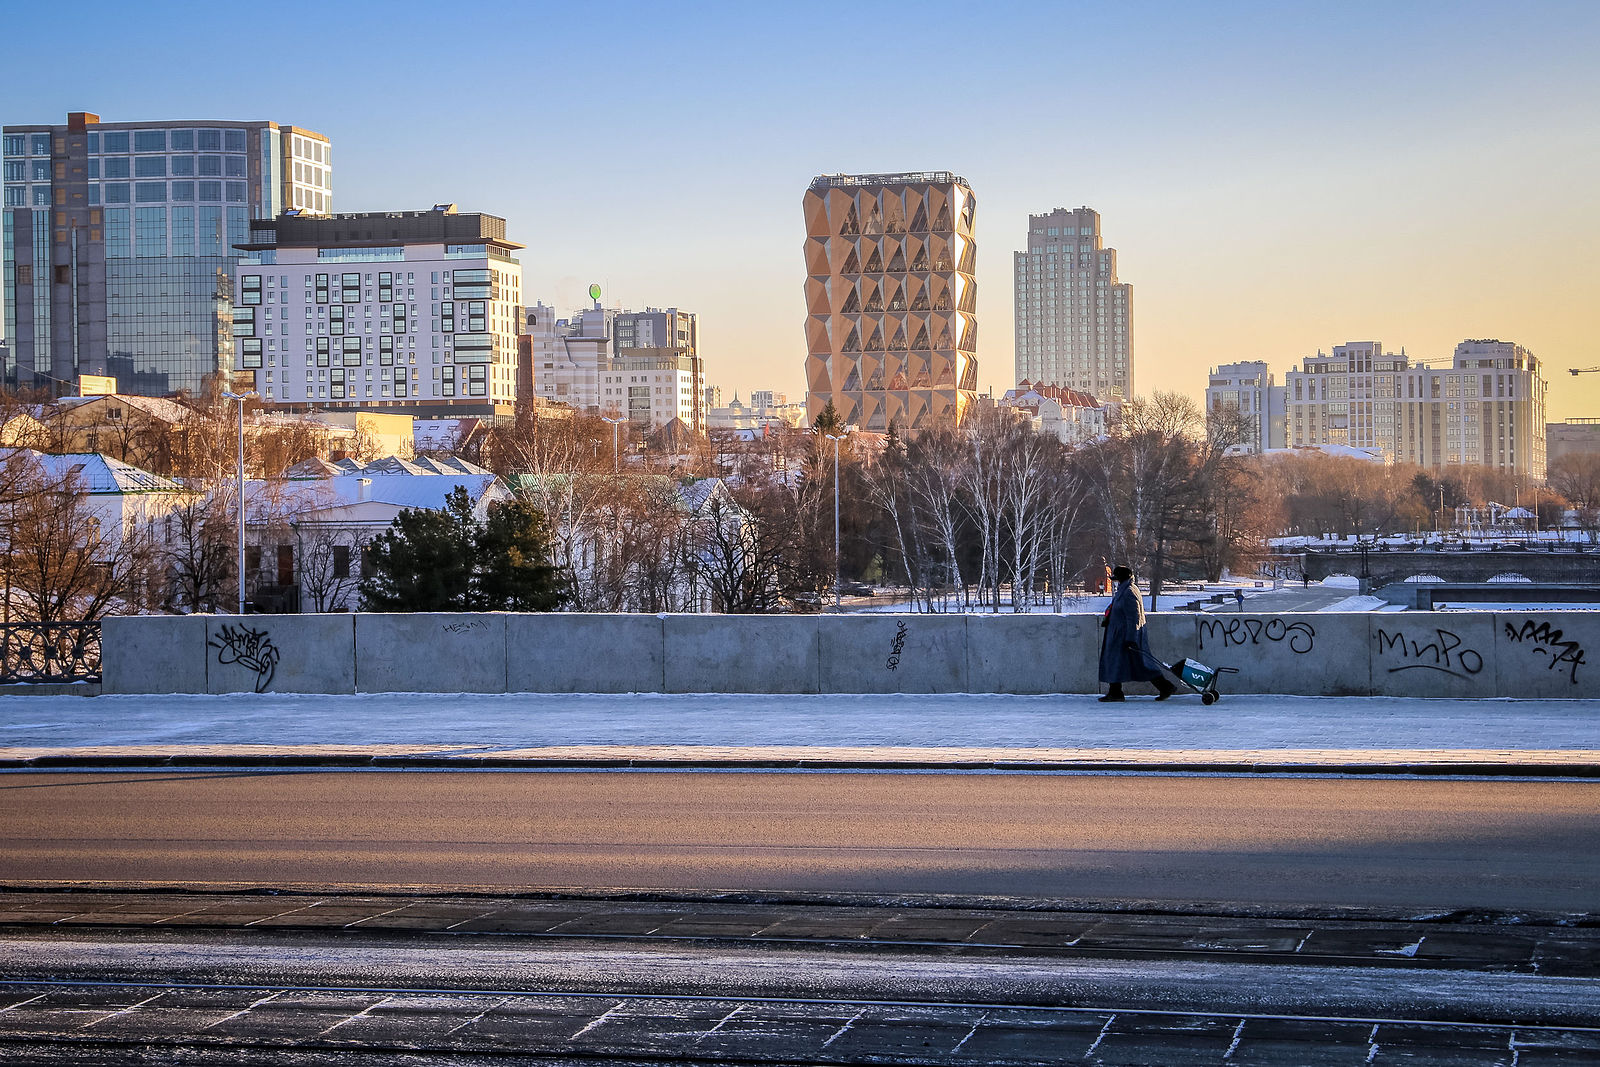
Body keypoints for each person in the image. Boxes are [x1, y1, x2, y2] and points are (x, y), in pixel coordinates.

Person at [1099, 565, 1176, 702]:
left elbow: (1133, 616)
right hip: (1119, 634)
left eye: (1117, 579)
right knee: (1130, 663)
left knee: (1138, 664)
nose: (1116, 582)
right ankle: (1116, 691)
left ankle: (1164, 687)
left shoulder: (1128, 592)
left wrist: (1131, 638)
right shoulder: (1126, 590)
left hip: (1124, 636)